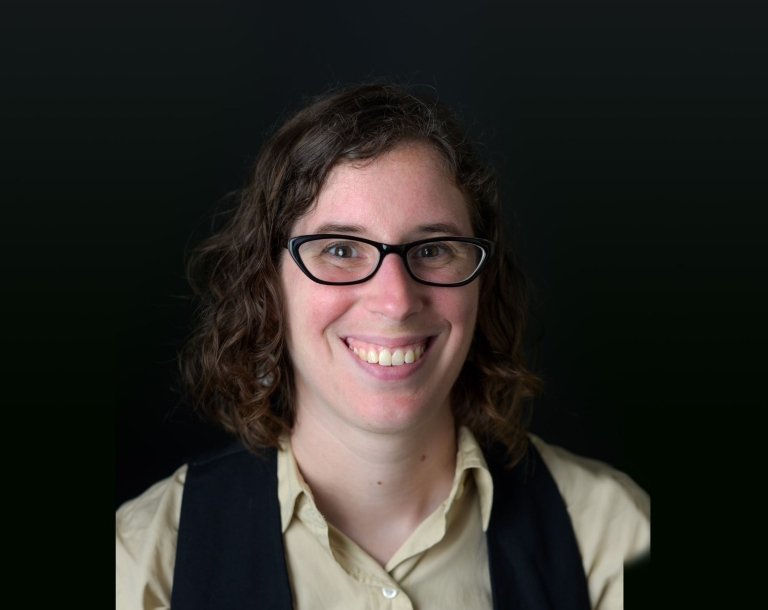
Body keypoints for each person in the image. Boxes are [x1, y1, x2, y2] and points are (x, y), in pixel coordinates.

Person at [116, 83, 650, 610]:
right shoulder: (144, 561)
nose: (395, 301)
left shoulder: (612, 536)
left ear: (483, 285)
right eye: (341, 249)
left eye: (434, 249)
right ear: (267, 285)